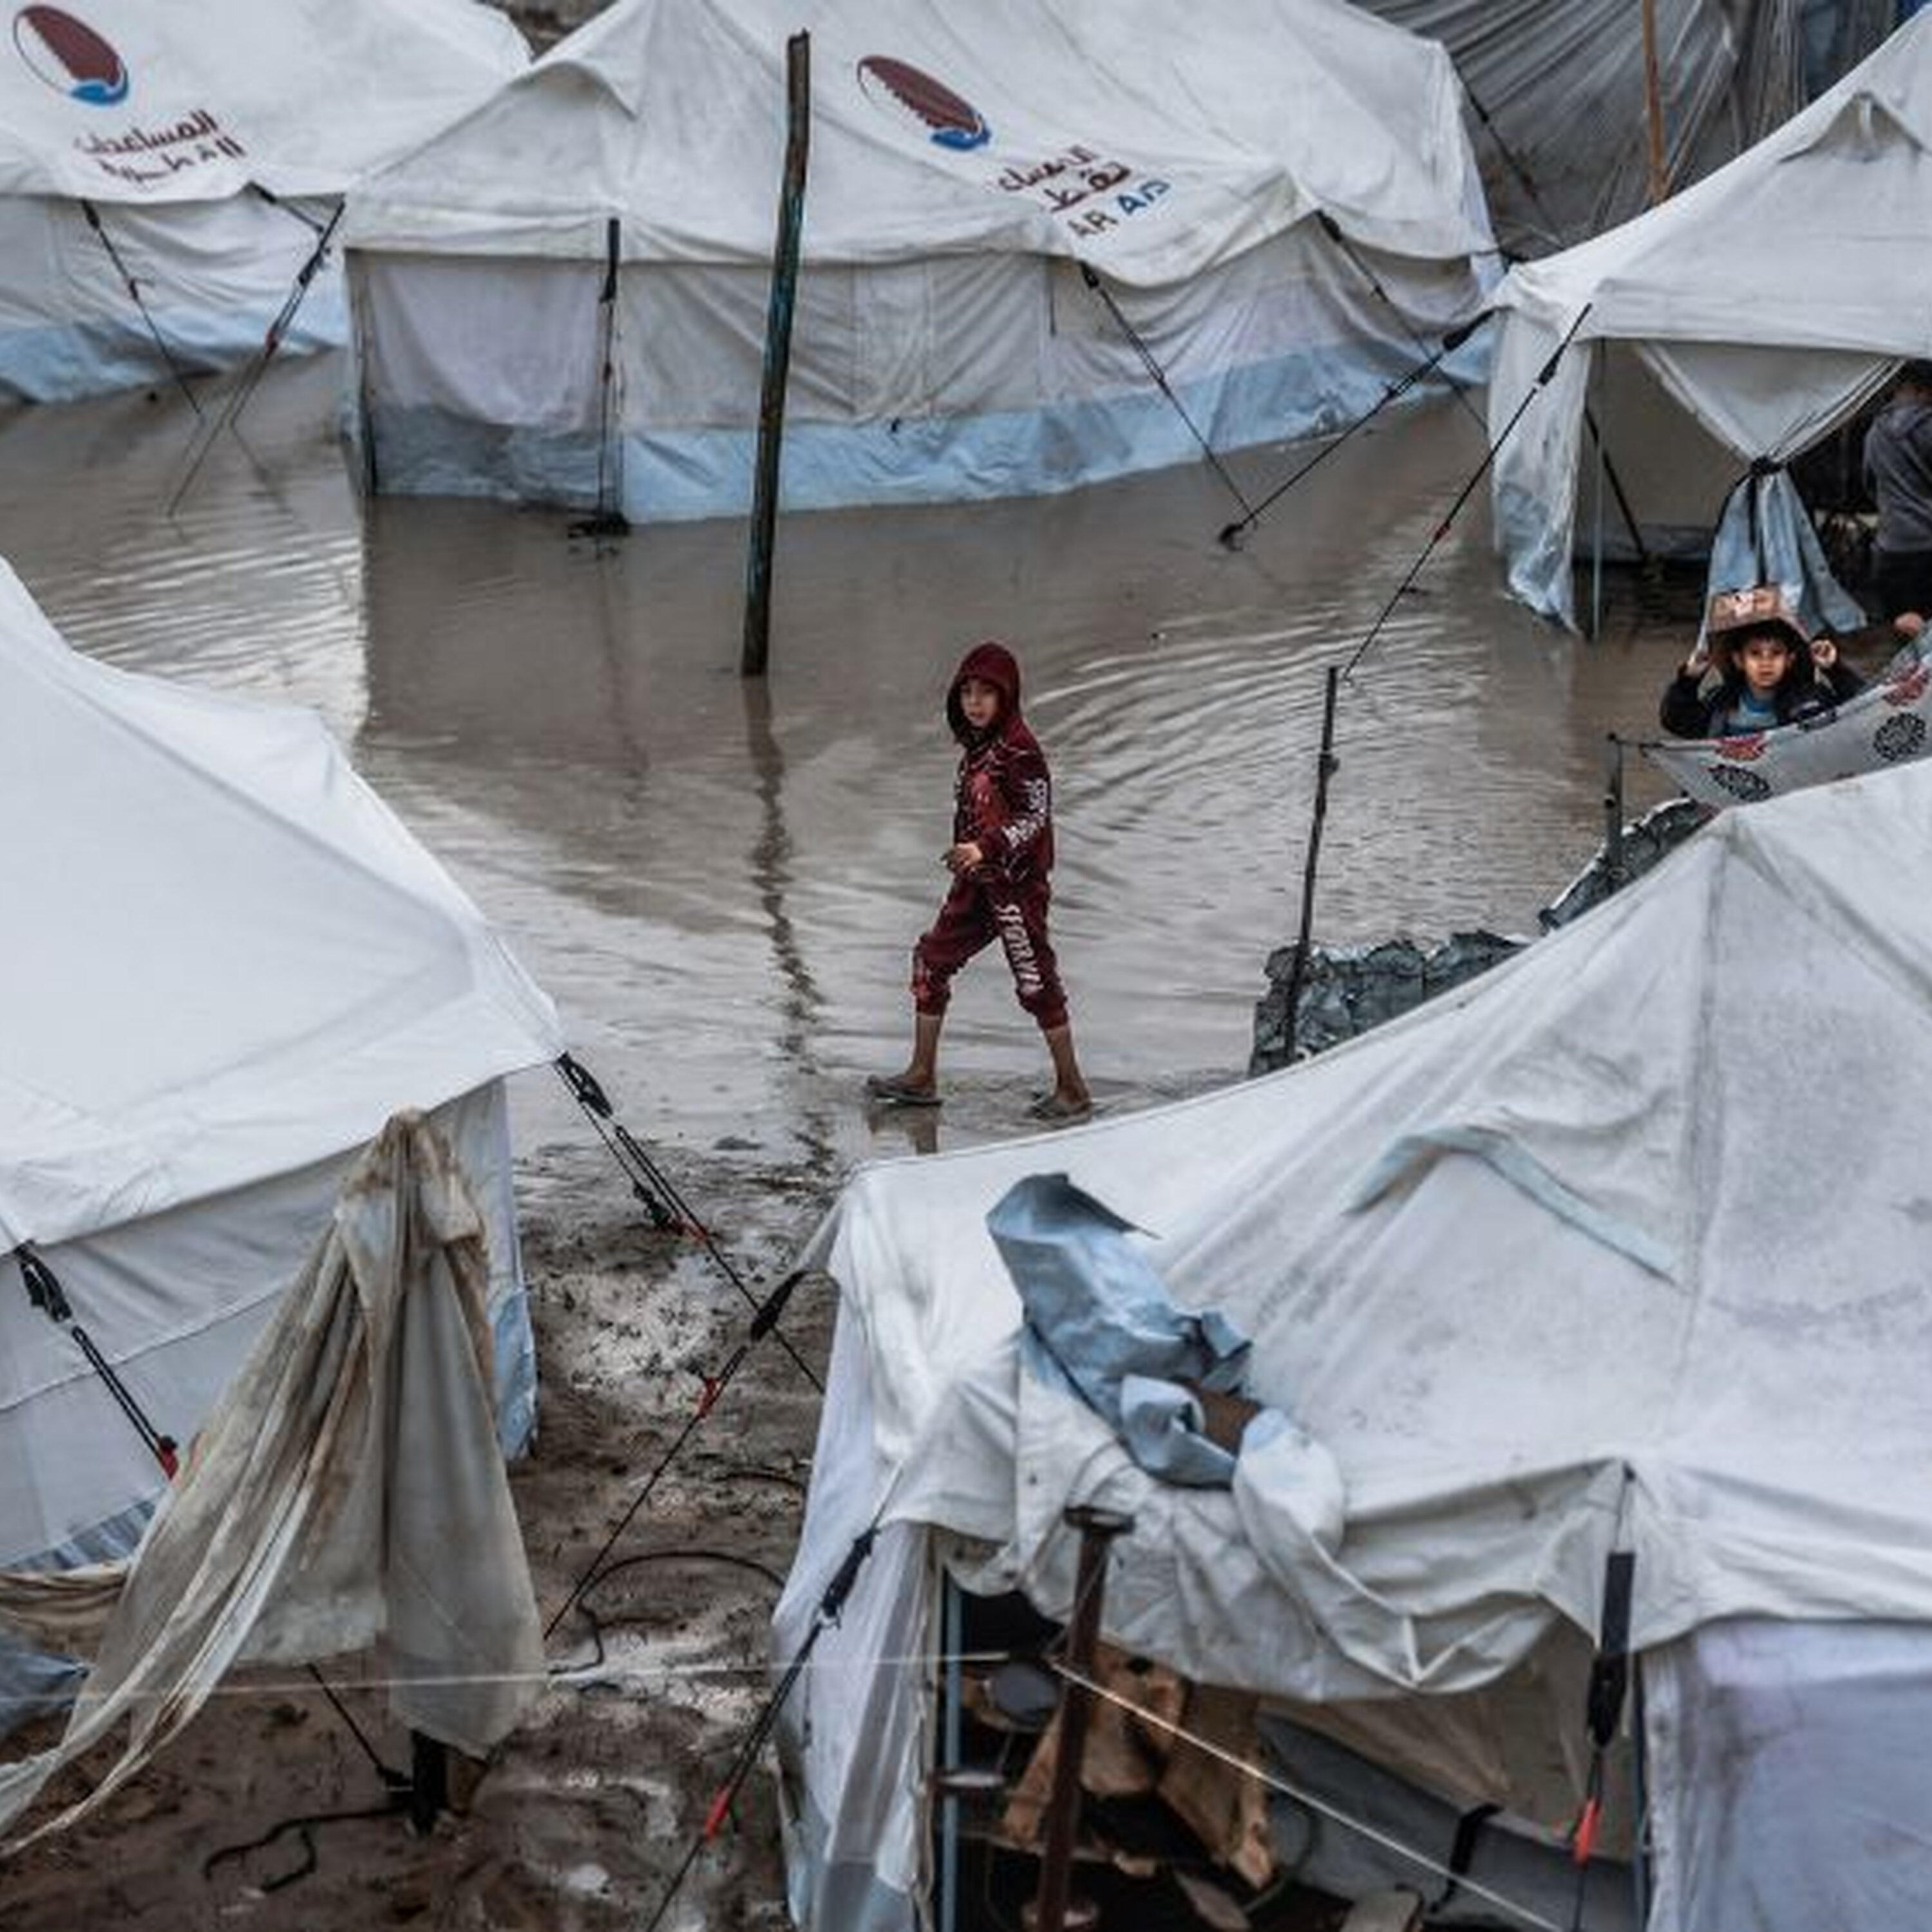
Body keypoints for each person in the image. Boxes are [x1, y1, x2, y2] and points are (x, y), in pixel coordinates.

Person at [866, 640, 1093, 1121]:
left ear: (1006, 697)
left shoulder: (1021, 751)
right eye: (967, 692)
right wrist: (970, 858)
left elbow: (1036, 817)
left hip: (1015, 888)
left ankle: (1073, 1089)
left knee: (1036, 983)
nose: (974, 702)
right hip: (976, 885)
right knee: (930, 962)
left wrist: (985, 848)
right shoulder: (976, 750)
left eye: (986, 693)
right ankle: (922, 1075)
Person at [1660, 583, 1863, 739]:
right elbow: (1676, 722)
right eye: (1755, 654)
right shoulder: (1720, 703)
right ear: (1739, 660)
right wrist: (1688, 679)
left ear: (1789, 660)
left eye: (1775, 653)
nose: (1766, 663)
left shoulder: (1811, 700)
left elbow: (1862, 708)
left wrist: (1835, 669)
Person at [1863, 361, 1932, 635]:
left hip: (1891, 545)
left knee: (1898, 632)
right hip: (1928, 543)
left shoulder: (1875, 430)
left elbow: (1869, 482)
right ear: (1922, 389)